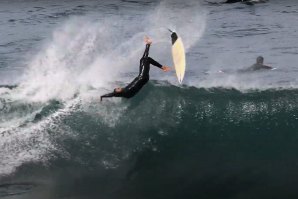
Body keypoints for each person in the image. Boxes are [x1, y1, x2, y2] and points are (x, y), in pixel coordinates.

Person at [100, 36, 170, 101]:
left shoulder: (123, 94)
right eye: (118, 89)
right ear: (118, 92)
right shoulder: (125, 92)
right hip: (142, 77)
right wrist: (104, 96)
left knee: (144, 59)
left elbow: (111, 94)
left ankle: (149, 46)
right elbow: (113, 94)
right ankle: (148, 44)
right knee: (145, 59)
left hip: (143, 78)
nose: (118, 87)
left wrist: (102, 96)